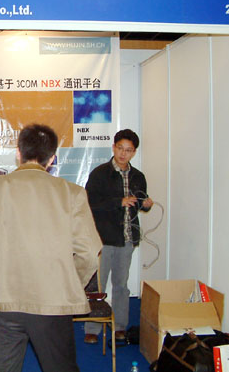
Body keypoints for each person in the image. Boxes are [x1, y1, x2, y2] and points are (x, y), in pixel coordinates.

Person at [0, 124, 102, 372]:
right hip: (53, 303)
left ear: (18, 153)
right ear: (52, 159)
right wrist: (67, 284)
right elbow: (89, 253)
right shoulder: (73, 193)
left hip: (5, 303)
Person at [84, 129, 153, 344]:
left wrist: (146, 205)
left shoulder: (138, 177)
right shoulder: (100, 174)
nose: (123, 154)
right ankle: (93, 328)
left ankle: (120, 327)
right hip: (103, 239)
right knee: (98, 285)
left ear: (134, 152)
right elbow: (89, 204)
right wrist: (118, 202)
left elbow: (139, 203)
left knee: (121, 285)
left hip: (127, 238)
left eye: (128, 150)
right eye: (120, 148)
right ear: (113, 147)